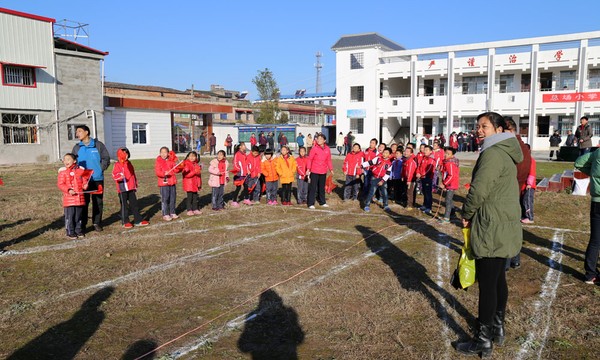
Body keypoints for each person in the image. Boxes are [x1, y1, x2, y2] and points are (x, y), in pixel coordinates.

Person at [456, 112, 523, 358]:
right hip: (502, 222)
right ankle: (497, 328)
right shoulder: (504, 150)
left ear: (497, 128)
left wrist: (467, 212)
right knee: (497, 279)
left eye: (484, 126)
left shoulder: (493, 153)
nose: (479, 130)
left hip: (492, 224)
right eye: (478, 127)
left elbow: (479, 189)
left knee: (487, 283)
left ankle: (483, 339)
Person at [72, 125, 110, 232]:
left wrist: (100, 169)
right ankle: (82, 224)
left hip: (97, 179)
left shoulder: (98, 145)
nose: (77, 134)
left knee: (98, 202)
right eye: (76, 132)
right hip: (83, 180)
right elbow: (73, 162)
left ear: (87, 132)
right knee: (84, 202)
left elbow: (106, 158)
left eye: (79, 131)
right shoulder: (77, 147)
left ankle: (96, 223)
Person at [574, 148, 600, 284]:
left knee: (595, 240)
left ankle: (590, 274)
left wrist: (593, 173)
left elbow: (578, 162)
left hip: (597, 202)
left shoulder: (596, 153)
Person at [112, 148, 150, 227]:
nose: (126, 156)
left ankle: (138, 220)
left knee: (134, 204)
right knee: (124, 206)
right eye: (124, 154)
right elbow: (114, 175)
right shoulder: (117, 165)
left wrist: (135, 184)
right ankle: (125, 221)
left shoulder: (129, 163)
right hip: (122, 189)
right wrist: (120, 176)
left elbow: (132, 174)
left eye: (127, 154)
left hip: (131, 188)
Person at [57, 153, 90, 239]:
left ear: (74, 161)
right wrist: (68, 190)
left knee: (78, 216)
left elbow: (84, 181)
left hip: (79, 198)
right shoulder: (63, 172)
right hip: (69, 199)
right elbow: (61, 184)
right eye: (64, 159)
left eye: (68, 159)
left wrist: (85, 185)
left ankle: (78, 230)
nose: (66, 161)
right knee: (70, 216)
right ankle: (70, 231)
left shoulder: (80, 171)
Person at [155, 147, 183, 221]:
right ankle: (165, 213)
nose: (163, 154)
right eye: (162, 152)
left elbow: (176, 169)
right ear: (160, 153)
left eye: (165, 152)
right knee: (165, 199)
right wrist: (164, 173)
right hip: (164, 183)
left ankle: (172, 212)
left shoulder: (171, 161)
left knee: (172, 198)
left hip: (172, 182)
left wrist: (179, 165)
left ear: (168, 153)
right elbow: (158, 172)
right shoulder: (158, 161)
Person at [306, 133, 333, 209]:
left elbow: (329, 160)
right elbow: (310, 159)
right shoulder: (314, 148)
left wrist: (331, 169)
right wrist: (308, 169)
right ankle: (311, 203)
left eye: (321, 139)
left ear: (324, 140)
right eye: (318, 139)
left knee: (321, 187)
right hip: (314, 171)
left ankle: (322, 202)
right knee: (313, 187)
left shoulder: (327, 149)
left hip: (323, 171)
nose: (319, 140)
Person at [363, 147, 393, 212]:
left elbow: (387, 174)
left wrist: (382, 181)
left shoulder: (389, 164)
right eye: (384, 152)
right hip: (374, 178)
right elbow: (369, 162)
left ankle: (386, 205)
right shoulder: (378, 159)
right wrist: (362, 165)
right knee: (372, 192)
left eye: (386, 153)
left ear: (390, 155)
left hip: (383, 180)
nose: (384, 154)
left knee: (384, 193)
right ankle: (367, 205)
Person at [438, 146, 459, 223]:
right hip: (449, 184)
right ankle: (452, 214)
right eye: (445, 153)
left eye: (448, 154)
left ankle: (446, 218)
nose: (446, 155)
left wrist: (444, 183)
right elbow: (444, 173)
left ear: (452, 155)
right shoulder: (446, 162)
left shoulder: (450, 163)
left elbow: (452, 175)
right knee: (449, 200)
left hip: (451, 184)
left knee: (448, 200)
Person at [182, 151, 203, 216]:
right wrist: (194, 172)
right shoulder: (186, 164)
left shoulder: (196, 164)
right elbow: (186, 175)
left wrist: (199, 184)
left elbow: (198, 175)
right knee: (189, 197)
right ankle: (189, 209)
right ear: (187, 157)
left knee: (195, 197)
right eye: (190, 156)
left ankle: (195, 209)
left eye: (194, 156)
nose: (192, 157)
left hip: (195, 184)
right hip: (189, 184)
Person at [416, 145, 435, 215]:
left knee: (428, 193)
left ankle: (429, 207)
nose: (425, 151)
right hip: (422, 177)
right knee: (424, 191)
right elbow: (419, 166)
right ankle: (424, 205)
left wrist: (422, 174)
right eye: (425, 150)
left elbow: (429, 169)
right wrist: (418, 172)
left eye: (427, 150)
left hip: (428, 177)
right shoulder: (423, 158)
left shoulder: (431, 159)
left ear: (430, 151)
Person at [521, 145, 536, 224]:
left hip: (529, 186)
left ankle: (530, 217)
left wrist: (529, 184)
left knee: (527, 201)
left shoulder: (531, 160)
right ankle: (524, 215)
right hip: (522, 186)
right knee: (522, 201)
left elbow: (532, 173)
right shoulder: (522, 160)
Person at [231, 142, 249, 207]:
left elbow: (246, 163)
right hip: (239, 174)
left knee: (246, 186)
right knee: (238, 188)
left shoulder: (244, 154)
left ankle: (246, 199)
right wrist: (239, 170)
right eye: (243, 145)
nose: (245, 146)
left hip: (245, 174)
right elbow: (235, 163)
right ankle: (234, 201)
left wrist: (247, 169)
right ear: (240, 147)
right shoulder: (237, 154)